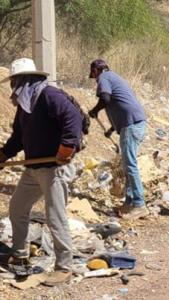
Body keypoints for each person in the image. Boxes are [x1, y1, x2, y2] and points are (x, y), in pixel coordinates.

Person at [0, 58, 83, 285]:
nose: (13, 86)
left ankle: (64, 267)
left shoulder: (49, 96)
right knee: (17, 208)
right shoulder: (26, 104)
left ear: (26, 80)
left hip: (54, 168)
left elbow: (72, 119)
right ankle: (20, 254)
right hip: (33, 167)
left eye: (15, 81)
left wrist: (66, 147)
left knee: (55, 217)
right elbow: (18, 137)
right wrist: (3, 155)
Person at [88, 59, 148, 220]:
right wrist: (112, 129)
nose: (95, 79)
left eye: (93, 75)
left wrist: (94, 110)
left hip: (131, 125)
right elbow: (120, 105)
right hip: (135, 123)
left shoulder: (104, 78)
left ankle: (139, 204)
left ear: (95, 71)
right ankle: (129, 202)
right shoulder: (115, 78)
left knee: (130, 165)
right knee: (127, 164)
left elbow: (106, 99)